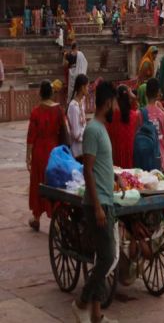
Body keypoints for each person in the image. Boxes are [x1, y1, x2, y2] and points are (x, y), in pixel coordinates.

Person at [71, 81, 118, 323]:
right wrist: (98, 206)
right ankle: (82, 301)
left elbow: (98, 166)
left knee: (103, 257)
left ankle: (96, 314)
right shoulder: (92, 130)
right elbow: (88, 170)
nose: (116, 108)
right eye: (114, 104)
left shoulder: (101, 129)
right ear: (108, 103)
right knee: (109, 257)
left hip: (106, 198)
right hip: (97, 203)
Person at [26, 81, 67, 231]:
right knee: (53, 183)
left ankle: (36, 217)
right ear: (51, 93)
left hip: (39, 151)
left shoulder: (36, 111)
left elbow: (31, 136)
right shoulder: (59, 110)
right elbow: (64, 130)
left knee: (38, 182)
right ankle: (55, 219)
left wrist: (27, 156)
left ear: (40, 93)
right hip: (54, 150)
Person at [107, 85, 140, 169]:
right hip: (131, 155)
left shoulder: (112, 117)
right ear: (129, 99)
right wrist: (134, 98)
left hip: (115, 155)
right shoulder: (134, 116)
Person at [67, 73, 89, 158]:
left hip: (83, 147)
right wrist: (87, 134)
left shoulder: (81, 102)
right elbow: (76, 133)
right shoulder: (73, 106)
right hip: (77, 150)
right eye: (87, 86)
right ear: (82, 87)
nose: (88, 88)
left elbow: (82, 125)